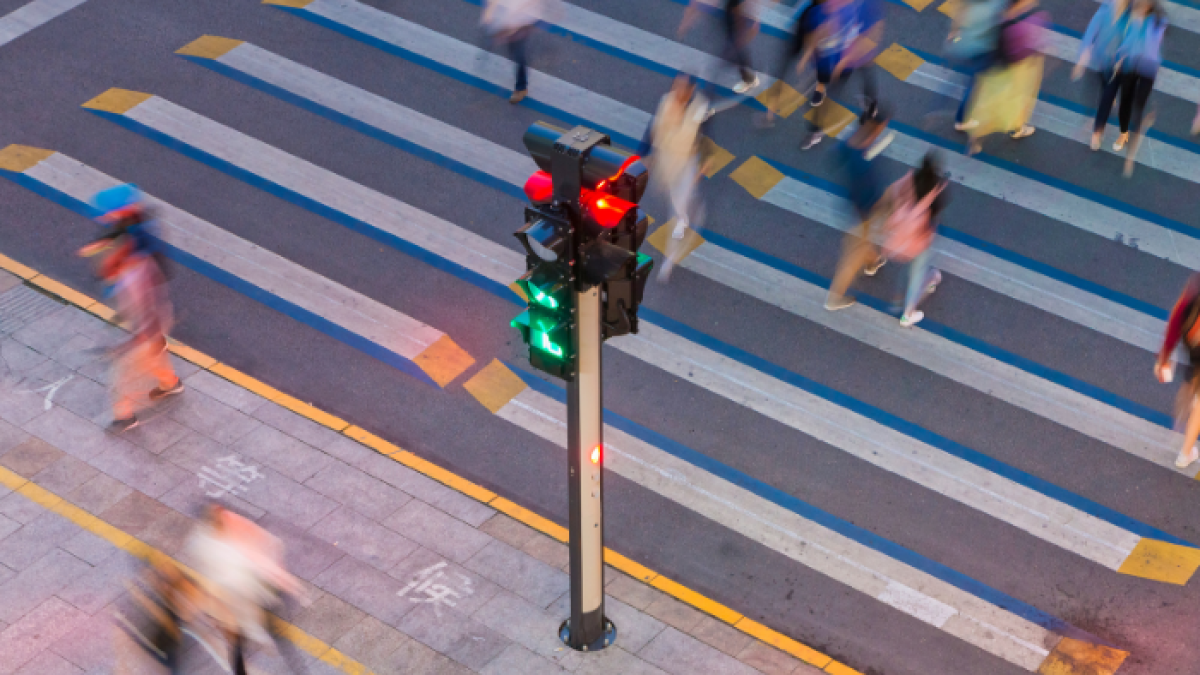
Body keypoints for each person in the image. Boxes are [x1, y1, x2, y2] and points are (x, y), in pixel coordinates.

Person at [81, 202, 183, 433]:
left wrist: (131, 343)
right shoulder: (135, 265)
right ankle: (170, 383)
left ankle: (124, 417)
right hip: (152, 325)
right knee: (156, 353)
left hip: (147, 329)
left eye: (107, 255)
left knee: (120, 374)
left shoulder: (134, 277)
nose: (103, 261)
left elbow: (148, 311)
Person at [185, 504, 303, 674]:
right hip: (236, 602)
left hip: (248, 598)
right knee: (245, 641)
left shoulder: (213, 539)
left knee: (256, 638)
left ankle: (294, 666)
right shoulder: (210, 545)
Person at [643, 75, 713, 281]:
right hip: (667, 163)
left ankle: (669, 261)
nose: (677, 91)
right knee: (675, 199)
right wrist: (645, 155)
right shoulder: (666, 102)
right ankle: (684, 216)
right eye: (676, 86)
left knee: (676, 206)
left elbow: (706, 135)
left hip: (687, 164)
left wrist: (705, 161)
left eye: (682, 88)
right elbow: (652, 129)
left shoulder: (699, 108)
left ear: (690, 91)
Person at [826, 103, 894, 310]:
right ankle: (834, 299)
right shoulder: (863, 160)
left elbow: (835, 156)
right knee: (852, 256)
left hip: (855, 204)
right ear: (877, 127)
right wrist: (887, 204)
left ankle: (872, 261)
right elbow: (871, 194)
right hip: (862, 211)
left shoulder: (853, 142)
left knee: (863, 242)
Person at [963, 0, 1047, 155]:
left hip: (996, 68)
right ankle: (1017, 128)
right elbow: (1023, 49)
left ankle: (974, 140)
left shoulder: (1000, 16)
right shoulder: (1021, 23)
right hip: (1014, 70)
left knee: (988, 105)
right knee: (1019, 101)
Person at [800, 0, 884, 150]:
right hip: (842, 55)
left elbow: (874, 30)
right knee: (831, 93)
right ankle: (815, 130)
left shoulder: (868, 4)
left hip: (858, 54)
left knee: (867, 83)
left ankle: (871, 109)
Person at [880, 152, 949, 327]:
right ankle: (907, 313)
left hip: (901, 235)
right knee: (917, 273)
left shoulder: (910, 178)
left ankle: (898, 301)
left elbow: (894, 192)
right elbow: (935, 213)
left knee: (909, 269)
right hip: (919, 238)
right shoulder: (935, 189)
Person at [1113, 0, 1167, 174]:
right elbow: (1125, 39)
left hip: (1147, 68)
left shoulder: (1158, 21)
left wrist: (1139, 23)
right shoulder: (1130, 14)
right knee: (1125, 100)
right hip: (1130, 64)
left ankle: (1132, 148)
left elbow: (1151, 47)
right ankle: (1123, 133)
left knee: (1138, 105)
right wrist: (1120, 55)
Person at [1073, 0, 1132, 151]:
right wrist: (1083, 57)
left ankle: (1097, 132)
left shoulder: (1131, 16)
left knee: (1106, 97)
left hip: (1116, 67)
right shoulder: (1105, 9)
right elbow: (1091, 31)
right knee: (1103, 85)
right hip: (1100, 61)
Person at [1155, 274, 1200, 468]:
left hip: (1194, 347)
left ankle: (1186, 453)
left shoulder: (1192, 293)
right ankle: (1185, 453)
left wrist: (1164, 359)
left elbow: (1174, 325)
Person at [946, 0, 1006, 131]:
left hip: (970, 45)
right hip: (985, 48)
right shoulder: (996, 4)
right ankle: (962, 119)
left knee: (974, 79)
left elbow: (959, 11)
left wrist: (954, 32)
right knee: (974, 83)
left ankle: (964, 117)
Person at [762, 0, 825, 126]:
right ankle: (770, 113)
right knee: (783, 66)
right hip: (805, 27)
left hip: (816, 29)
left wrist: (805, 57)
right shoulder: (811, 10)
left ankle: (820, 88)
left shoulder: (823, 11)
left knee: (820, 63)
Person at [679, 0, 761, 94]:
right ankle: (749, 78)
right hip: (731, 16)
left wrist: (687, 21)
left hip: (738, 19)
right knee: (734, 53)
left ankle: (705, 99)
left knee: (720, 62)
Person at [482, 0, 546, 103]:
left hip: (520, 20)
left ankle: (521, 88)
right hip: (510, 18)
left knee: (517, 52)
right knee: (513, 51)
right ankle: (521, 85)